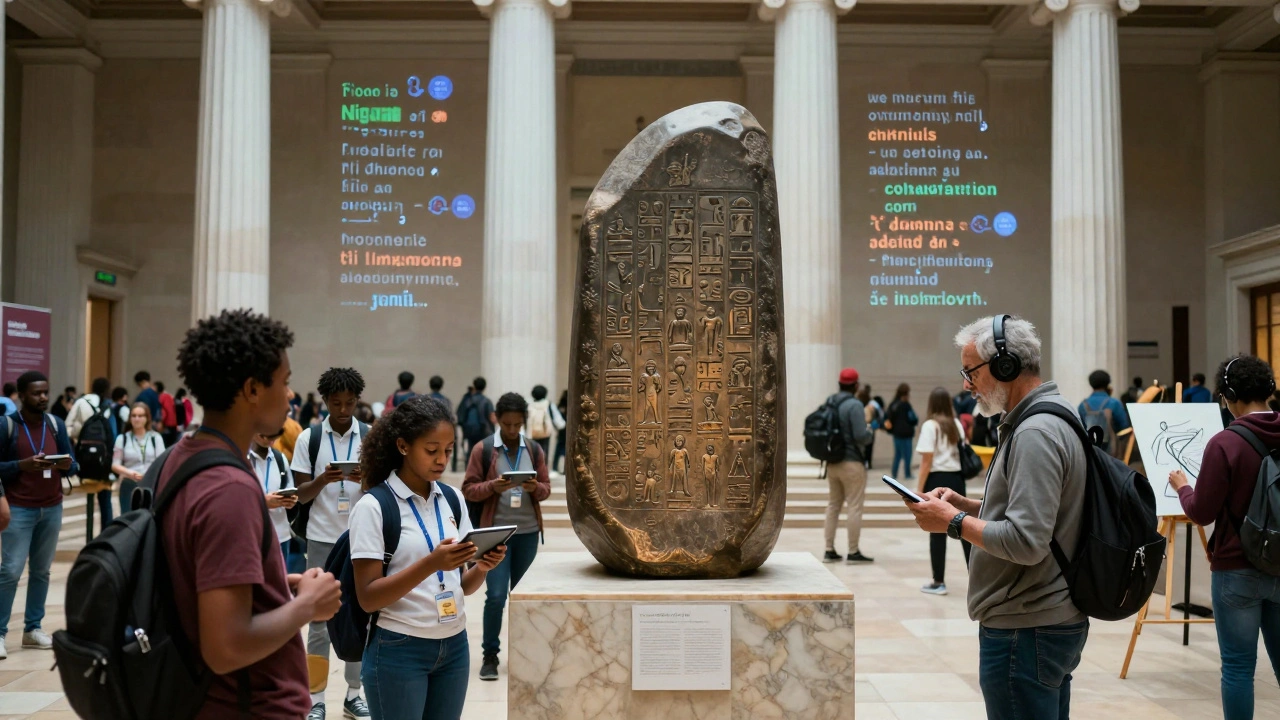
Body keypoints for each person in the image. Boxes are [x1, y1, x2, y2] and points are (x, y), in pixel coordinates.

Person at [150, 309, 341, 715]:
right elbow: (227, 646)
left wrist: (275, 581)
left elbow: (198, 574)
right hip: (244, 705)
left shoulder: (179, 457)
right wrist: (308, 605)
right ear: (253, 389)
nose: (290, 395)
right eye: (285, 382)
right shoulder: (230, 489)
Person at [906, 314, 1088, 720]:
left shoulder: (1035, 433)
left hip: (1026, 627)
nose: (966, 384)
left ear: (1005, 366)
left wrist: (951, 523)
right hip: (1043, 621)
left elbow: (1026, 541)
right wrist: (965, 506)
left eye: (970, 371)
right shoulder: (1049, 417)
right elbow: (1044, 516)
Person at [352, 396, 507, 720]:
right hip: (398, 648)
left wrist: (482, 566)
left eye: (448, 451)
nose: (442, 460)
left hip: (454, 646)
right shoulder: (374, 506)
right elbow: (367, 598)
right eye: (432, 450)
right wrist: (432, 563)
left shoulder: (451, 499)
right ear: (403, 446)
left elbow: (461, 586)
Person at [1169, 354, 1280, 720]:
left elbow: (1202, 511)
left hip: (1236, 567)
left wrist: (1183, 487)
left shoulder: (1225, 443)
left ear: (1229, 395)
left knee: (1237, 669)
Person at [292, 367, 371, 720]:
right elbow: (300, 495)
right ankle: (316, 699)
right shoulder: (309, 439)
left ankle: (354, 694)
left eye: (350, 403)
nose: (343, 409)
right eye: (336, 403)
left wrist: (365, 478)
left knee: (361, 616)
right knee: (319, 621)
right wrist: (324, 478)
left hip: (362, 538)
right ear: (324, 401)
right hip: (322, 538)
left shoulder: (370, 436)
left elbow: (382, 490)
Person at [462, 392, 551, 682]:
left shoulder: (534, 449)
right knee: (496, 595)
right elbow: (468, 488)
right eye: (507, 424)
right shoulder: (484, 450)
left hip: (527, 533)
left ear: (524, 421)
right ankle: (490, 655)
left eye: (517, 424)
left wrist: (534, 488)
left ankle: (525, 654)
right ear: (496, 420)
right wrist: (493, 487)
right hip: (496, 535)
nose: (512, 430)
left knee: (523, 597)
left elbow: (546, 489)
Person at [0, 371, 78, 657]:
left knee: (42, 571)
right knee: (10, 571)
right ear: (21, 395)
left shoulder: (55, 424)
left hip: (52, 506)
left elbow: (73, 465)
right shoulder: (6, 426)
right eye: (36, 393)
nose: (43, 397)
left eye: (45, 392)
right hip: (19, 508)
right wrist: (21, 465)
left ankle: (33, 629)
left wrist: (66, 465)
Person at [915, 387, 972, 596]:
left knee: (937, 531)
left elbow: (926, 461)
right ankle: (975, 578)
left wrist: (919, 491)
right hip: (957, 480)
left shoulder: (930, 426)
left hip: (938, 479)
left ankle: (938, 581)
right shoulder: (956, 424)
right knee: (966, 529)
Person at [821, 369, 874, 564]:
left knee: (833, 505)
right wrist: (870, 432)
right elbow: (861, 436)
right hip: (852, 462)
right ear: (855, 385)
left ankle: (829, 549)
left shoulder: (830, 401)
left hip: (832, 462)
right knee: (854, 506)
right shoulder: (854, 405)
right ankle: (853, 552)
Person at [67, 377, 118, 536]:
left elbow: (67, 426)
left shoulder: (81, 403)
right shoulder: (108, 406)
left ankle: (89, 536)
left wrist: (78, 435)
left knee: (89, 495)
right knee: (105, 500)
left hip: (85, 456)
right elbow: (113, 434)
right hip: (104, 458)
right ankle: (106, 535)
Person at [249, 428, 303, 574]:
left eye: (275, 434)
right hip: (252, 536)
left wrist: (291, 501)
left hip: (281, 534)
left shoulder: (280, 459)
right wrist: (263, 501)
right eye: (264, 434)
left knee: (279, 587)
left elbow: (290, 488)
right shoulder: (242, 459)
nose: (269, 439)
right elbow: (235, 500)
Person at [111, 402, 163, 514]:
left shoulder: (156, 438)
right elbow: (115, 464)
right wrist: (129, 472)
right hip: (129, 484)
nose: (137, 419)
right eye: (133, 416)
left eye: (140, 416)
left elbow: (162, 462)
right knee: (129, 520)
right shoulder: (122, 438)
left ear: (147, 418)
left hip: (150, 484)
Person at [1077, 370, 1130, 455]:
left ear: (1091, 384)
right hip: (1111, 454)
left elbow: (1079, 430)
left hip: (1090, 453)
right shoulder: (1114, 403)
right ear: (1107, 384)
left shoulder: (1082, 406)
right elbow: (1124, 427)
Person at [456, 378, 497, 463]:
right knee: (483, 451)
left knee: (471, 450)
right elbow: (492, 418)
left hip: (469, 430)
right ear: (484, 387)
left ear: (474, 386)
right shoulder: (486, 401)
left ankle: (469, 467)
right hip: (483, 431)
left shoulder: (467, 400)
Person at [885, 384, 918, 480]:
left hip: (897, 433)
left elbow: (888, 418)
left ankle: (894, 474)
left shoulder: (893, 404)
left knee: (897, 455)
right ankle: (907, 474)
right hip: (907, 433)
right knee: (907, 455)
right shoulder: (906, 405)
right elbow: (913, 419)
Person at [525, 385, 557, 457]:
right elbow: (556, 417)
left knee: (533, 453)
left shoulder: (529, 405)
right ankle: (543, 466)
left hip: (532, 433)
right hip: (545, 433)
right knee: (544, 452)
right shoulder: (548, 404)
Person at [857, 386, 881, 470]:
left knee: (863, 447)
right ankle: (868, 462)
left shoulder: (859, 406)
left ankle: (864, 461)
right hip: (870, 428)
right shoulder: (872, 405)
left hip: (862, 427)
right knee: (869, 447)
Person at [554, 390, 569, 474]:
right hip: (568, 430)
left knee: (559, 449)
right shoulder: (571, 406)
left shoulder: (560, 406)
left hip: (561, 430)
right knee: (566, 450)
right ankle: (564, 469)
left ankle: (555, 467)